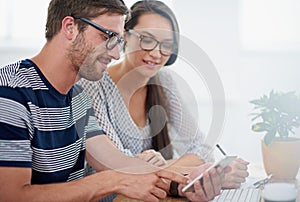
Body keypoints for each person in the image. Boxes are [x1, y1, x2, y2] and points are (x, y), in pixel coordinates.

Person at [0, 0, 227, 201]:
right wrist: (111, 181)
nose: (116, 54)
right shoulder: (9, 92)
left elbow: (119, 163)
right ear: (70, 27)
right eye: (107, 36)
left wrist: (184, 184)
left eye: (117, 40)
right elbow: (11, 196)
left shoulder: (76, 97)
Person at [78, 0, 249, 191]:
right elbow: (122, 167)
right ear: (124, 36)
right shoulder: (93, 86)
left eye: (167, 45)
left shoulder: (164, 81)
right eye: (147, 40)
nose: (156, 53)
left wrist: (171, 168)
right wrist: (192, 171)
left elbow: (202, 148)